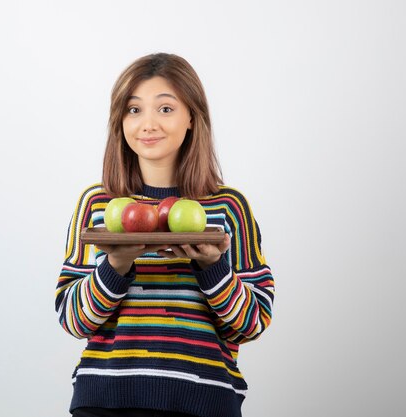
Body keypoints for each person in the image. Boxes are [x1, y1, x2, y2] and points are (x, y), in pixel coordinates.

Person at [55, 53, 275, 417]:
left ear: (192, 116)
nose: (148, 124)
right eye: (134, 110)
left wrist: (212, 266)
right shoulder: (98, 204)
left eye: (166, 109)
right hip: (105, 399)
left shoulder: (228, 208)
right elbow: (72, 319)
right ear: (119, 120)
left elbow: (253, 322)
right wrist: (116, 263)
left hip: (204, 403)